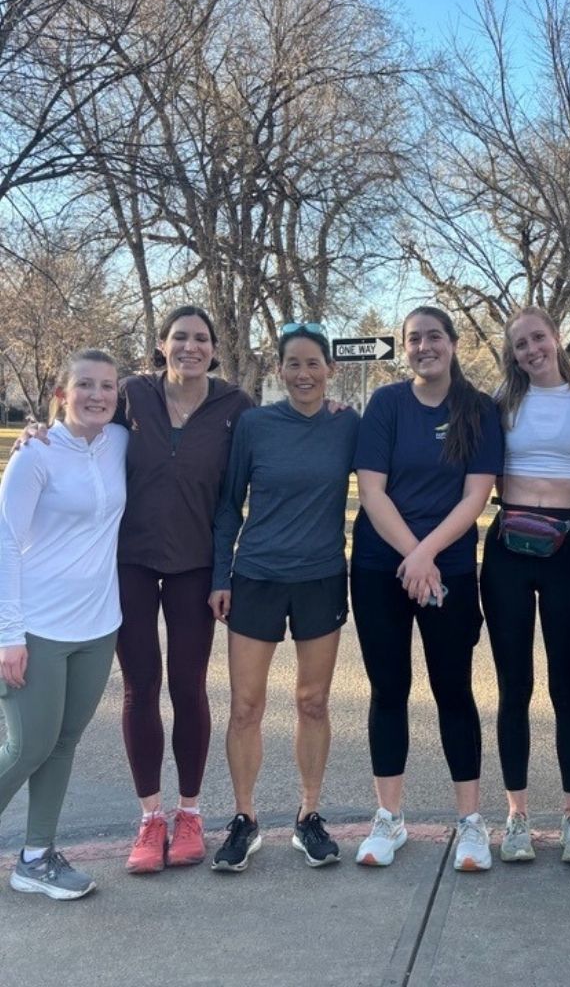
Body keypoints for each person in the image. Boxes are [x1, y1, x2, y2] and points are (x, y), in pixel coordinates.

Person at [15, 306, 254, 873]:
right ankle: (150, 818)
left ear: (215, 349)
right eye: (179, 338)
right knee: (141, 687)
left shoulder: (235, 406)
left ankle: (189, 812)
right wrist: (39, 427)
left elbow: (231, 500)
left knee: (189, 687)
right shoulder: (131, 394)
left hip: (197, 565)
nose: (190, 347)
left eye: (201, 339)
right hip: (131, 564)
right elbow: (81, 416)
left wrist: (224, 573)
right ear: (162, 345)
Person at [352, 306, 503, 872]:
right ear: (404, 349)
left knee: (453, 692)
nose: (423, 347)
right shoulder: (387, 404)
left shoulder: (479, 409)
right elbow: (372, 491)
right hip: (379, 568)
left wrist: (427, 554)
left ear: (454, 343)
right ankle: (389, 820)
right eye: (413, 339)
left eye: (433, 336)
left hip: (449, 572)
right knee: (388, 691)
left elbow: (475, 497)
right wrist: (411, 556)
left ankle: (470, 823)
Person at [208, 324, 360, 872]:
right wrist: (220, 577)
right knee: (246, 705)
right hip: (257, 577)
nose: (303, 374)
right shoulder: (254, 425)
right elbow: (228, 507)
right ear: (278, 370)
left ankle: (309, 818)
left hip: (321, 577)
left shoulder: (348, 426)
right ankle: (245, 820)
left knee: (312, 702)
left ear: (330, 370)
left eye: (313, 363)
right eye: (292, 364)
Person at [480, 306, 570, 864]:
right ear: (512, 354)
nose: (532, 350)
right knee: (514, 688)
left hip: (567, 550)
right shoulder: (500, 404)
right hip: (509, 548)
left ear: (556, 338)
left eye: (539, 338)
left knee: (567, 688)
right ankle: (516, 816)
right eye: (521, 345)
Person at [0, 350, 128, 899]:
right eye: (84, 385)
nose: (97, 395)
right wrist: (7, 633)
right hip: (37, 628)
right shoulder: (36, 453)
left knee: (63, 742)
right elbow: (4, 541)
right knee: (28, 745)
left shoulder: (121, 442)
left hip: (99, 626)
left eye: (107, 387)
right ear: (60, 394)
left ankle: (36, 856)